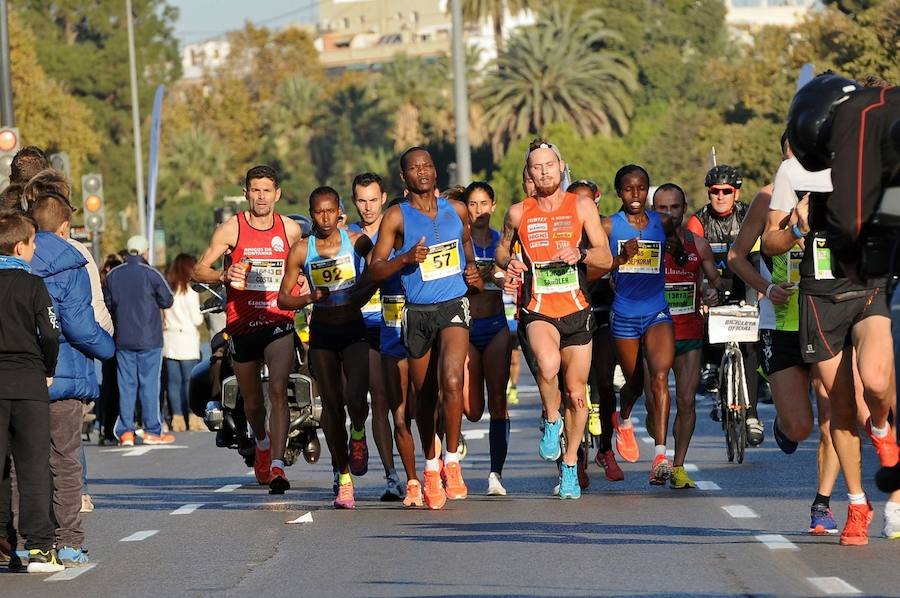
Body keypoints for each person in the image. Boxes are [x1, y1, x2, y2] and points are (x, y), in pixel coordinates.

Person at [767, 76, 899, 545]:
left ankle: (883, 429)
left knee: (879, 381)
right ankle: (858, 505)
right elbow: (770, 242)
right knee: (840, 408)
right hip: (819, 299)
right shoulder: (794, 170)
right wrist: (799, 228)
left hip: (864, 287)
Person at [729, 135, 843, 535]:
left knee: (832, 413)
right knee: (801, 427)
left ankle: (822, 504)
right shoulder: (765, 200)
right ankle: (783, 424)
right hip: (782, 323)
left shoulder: (837, 192)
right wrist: (765, 288)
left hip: (828, 318)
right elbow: (736, 257)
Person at [496, 139, 613, 499]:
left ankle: (569, 465)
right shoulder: (518, 212)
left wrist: (580, 253)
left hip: (577, 309)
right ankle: (550, 418)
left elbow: (605, 257)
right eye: (536, 166)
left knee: (577, 396)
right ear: (528, 172)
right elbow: (502, 249)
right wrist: (509, 262)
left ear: (561, 166)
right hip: (539, 308)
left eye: (549, 165)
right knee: (547, 366)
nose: (544, 171)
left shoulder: (580, 206)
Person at [368, 147, 483, 510]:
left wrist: (473, 271)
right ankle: (430, 466)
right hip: (417, 311)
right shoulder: (395, 217)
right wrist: (405, 259)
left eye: (428, 165)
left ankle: (451, 460)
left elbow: (466, 247)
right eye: (415, 168)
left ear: (436, 171)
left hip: (453, 304)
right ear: (404, 178)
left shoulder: (457, 210)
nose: (423, 171)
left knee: (452, 381)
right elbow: (375, 268)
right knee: (424, 397)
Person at [193, 165, 303, 494]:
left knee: (278, 391)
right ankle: (262, 441)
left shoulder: (290, 229)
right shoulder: (231, 230)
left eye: (267, 190)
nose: (261, 197)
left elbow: (304, 264)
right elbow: (199, 269)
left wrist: (301, 281)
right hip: (241, 325)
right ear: (246, 193)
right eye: (255, 190)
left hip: (278, 321)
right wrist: (223, 277)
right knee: (253, 401)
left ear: (277, 194)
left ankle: (279, 466)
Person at [30, 193, 115, 566]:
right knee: (64, 460)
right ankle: (68, 542)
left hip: (21, 374)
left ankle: (26, 540)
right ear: (65, 227)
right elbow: (80, 326)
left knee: (22, 461)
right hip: (65, 375)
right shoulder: (71, 263)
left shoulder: (19, 260)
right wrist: (107, 348)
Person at [278, 187, 373, 509]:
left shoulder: (357, 241)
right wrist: (309, 298)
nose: (325, 217)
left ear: (339, 212)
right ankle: (343, 478)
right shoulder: (302, 250)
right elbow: (283, 298)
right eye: (318, 212)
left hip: (354, 327)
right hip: (322, 331)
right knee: (332, 408)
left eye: (330, 210)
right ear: (311, 212)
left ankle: (358, 433)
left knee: (357, 397)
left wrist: (361, 291)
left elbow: (377, 271)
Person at [603, 165, 682, 485]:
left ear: (647, 191)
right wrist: (620, 259)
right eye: (628, 189)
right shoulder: (608, 226)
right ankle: (623, 418)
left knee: (660, 377)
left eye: (640, 189)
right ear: (619, 192)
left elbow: (676, 249)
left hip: (657, 311)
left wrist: (674, 251)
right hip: (623, 313)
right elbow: (593, 268)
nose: (634, 195)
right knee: (634, 383)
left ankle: (660, 456)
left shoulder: (662, 222)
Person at [0, 210, 64, 573]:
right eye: (34, 243)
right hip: (28, 382)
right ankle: (40, 548)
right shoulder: (34, 285)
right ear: (21, 245)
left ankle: (2, 543)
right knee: (33, 467)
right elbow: (51, 333)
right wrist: (48, 368)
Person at [686, 165, 765, 446]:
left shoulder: (748, 215)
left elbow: (757, 260)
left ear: (737, 192)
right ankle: (709, 366)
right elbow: (693, 263)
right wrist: (703, 293)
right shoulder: (698, 221)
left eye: (726, 191)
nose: (720, 196)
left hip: (745, 282)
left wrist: (760, 292)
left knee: (749, 344)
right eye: (714, 192)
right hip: (714, 284)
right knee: (705, 315)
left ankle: (753, 415)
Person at [653, 183, 722, 488]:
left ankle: (678, 466)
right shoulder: (644, 242)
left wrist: (711, 291)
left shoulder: (698, 245)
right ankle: (659, 457)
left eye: (675, 207)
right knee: (656, 399)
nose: (669, 213)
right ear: (653, 210)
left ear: (684, 209)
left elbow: (716, 281)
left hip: (689, 331)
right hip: (653, 329)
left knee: (686, 400)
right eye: (662, 208)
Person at [347, 172, 403, 501]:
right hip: (361, 326)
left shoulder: (398, 230)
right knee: (363, 402)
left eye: (373, 200)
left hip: (396, 323)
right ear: (354, 202)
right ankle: (362, 438)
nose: (368, 207)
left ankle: (397, 474)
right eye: (361, 201)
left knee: (392, 402)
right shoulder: (349, 237)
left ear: (384, 198)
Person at [567, 179, 623, 482]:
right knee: (571, 386)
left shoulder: (607, 233)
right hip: (568, 313)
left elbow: (615, 263)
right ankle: (573, 457)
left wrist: (616, 264)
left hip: (601, 310)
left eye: (586, 203)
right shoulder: (561, 233)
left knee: (603, 378)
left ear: (596, 202)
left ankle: (605, 448)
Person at [463, 181, 512, 496]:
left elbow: (514, 276)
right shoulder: (459, 243)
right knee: (470, 409)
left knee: (498, 400)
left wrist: (500, 275)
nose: (478, 210)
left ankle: (495, 473)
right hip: (465, 327)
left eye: (484, 204)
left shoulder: (502, 243)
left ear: (493, 206)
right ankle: (455, 437)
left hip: (495, 326)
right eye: (472, 204)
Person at [104, 235, 175, 447]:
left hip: (123, 338)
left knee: (126, 385)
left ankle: (125, 432)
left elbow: (107, 303)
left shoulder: (113, 275)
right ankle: (152, 430)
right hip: (149, 338)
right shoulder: (152, 273)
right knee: (149, 385)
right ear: (145, 252)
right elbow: (168, 299)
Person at [163, 254, 205, 433]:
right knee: (189, 381)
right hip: (187, 339)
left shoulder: (168, 290)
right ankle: (193, 418)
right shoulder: (189, 292)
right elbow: (196, 319)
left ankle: (177, 419)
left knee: (173, 381)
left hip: (170, 339)